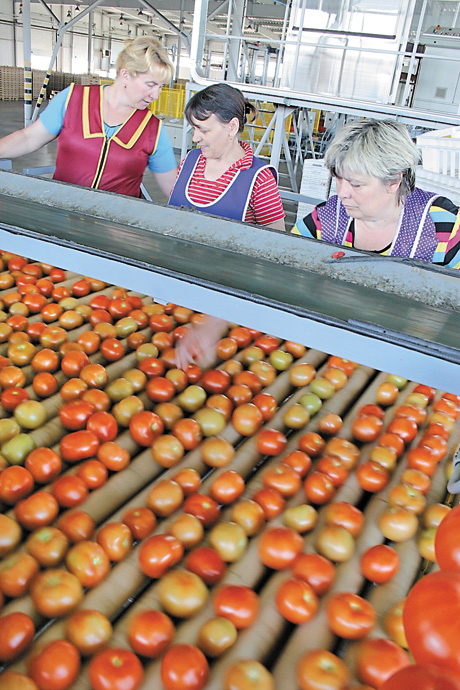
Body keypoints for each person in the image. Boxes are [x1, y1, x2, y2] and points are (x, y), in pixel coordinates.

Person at [0, 37, 177, 198]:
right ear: (125, 75)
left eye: (160, 87)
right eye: (150, 85)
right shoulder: (73, 99)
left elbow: (171, 185)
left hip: (116, 226)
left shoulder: (153, 129)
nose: (156, 94)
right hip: (63, 213)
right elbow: (29, 138)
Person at [291, 118, 460, 269]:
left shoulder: (444, 228)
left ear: (393, 181)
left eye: (356, 184)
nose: (342, 193)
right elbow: (288, 262)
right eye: (338, 179)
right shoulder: (325, 220)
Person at [169, 83, 286, 230]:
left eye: (204, 130)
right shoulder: (190, 161)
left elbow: (276, 242)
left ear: (232, 127)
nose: (195, 138)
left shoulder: (259, 179)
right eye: (194, 128)